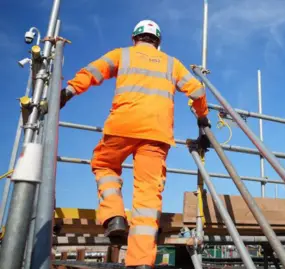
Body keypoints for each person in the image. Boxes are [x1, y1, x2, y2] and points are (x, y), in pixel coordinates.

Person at [60, 20, 210, 269]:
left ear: (135, 38)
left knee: (104, 165)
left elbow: (93, 72)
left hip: (122, 126)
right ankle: (140, 263)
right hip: (157, 135)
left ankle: (115, 216)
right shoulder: (171, 64)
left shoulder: (122, 55)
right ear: (158, 42)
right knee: (148, 199)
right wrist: (203, 120)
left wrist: (68, 92)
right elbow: (196, 91)